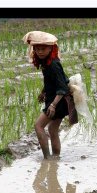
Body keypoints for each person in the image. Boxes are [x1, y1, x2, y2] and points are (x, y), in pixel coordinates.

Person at [22, 31, 78, 159]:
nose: (40, 51)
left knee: (38, 126)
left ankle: (47, 158)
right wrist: (44, 91)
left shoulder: (53, 64)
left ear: (50, 48)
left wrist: (52, 105)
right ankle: (56, 157)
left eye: (43, 49)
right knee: (52, 129)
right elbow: (52, 81)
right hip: (58, 100)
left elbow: (62, 87)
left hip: (58, 101)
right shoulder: (47, 62)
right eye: (37, 49)